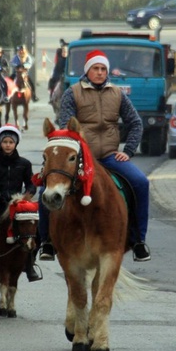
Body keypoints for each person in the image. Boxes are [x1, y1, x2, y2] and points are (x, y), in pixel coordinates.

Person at [38, 49, 151, 262]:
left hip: (109, 156)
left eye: (103, 69)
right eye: (95, 68)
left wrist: (127, 151)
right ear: (87, 70)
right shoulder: (73, 92)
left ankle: (138, 241)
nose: (99, 73)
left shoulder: (117, 93)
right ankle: (46, 242)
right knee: (44, 189)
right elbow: (66, 127)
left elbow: (135, 122)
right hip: (80, 158)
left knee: (141, 183)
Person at [0, 124, 41, 284]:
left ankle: (30, 264)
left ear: (16, 144)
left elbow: (31, 183)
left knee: (36, 232)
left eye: (11, 142)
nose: (8, 145)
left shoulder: (24, 164)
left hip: (19, 207)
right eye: (5, 141)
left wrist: (28, 194)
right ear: (0, 143)